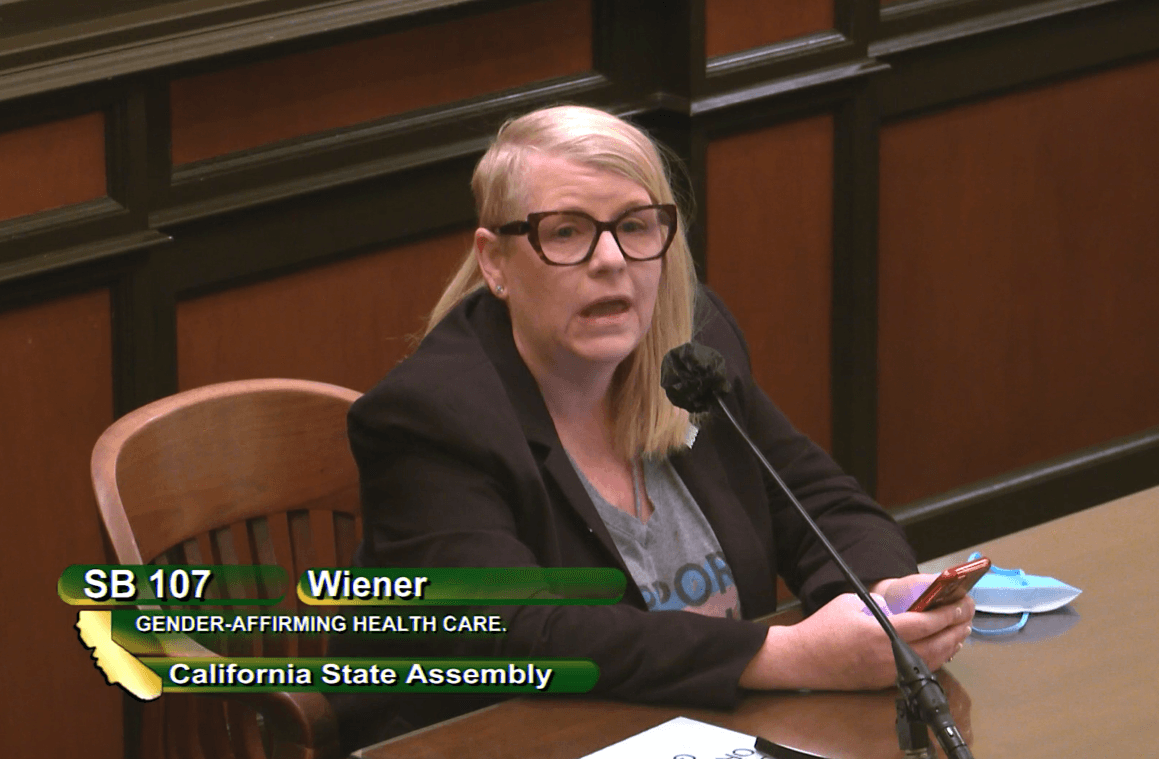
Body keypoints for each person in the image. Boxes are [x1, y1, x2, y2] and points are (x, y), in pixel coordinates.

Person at [328, 105, 974, 751]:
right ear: (494, 260)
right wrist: (789, 654)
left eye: (635, 226)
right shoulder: (429, 416)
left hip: (705, 730)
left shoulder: (688, 349)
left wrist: (884, 599)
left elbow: (818, 500)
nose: (610, 260)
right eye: (566, 232)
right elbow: (520, 629)